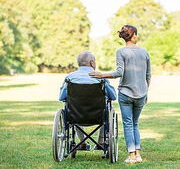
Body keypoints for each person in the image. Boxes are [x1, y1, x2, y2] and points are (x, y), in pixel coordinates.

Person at [89, 25, 151, 163]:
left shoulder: (121, 52)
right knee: (135, 123)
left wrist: (102, 75)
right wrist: (146, 92)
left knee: (128, 124)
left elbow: (119, 73)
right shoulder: (145, 52)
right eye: (137, 34)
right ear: (133, 35)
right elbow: (148, 75)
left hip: (125, 93)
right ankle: (138, 155)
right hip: (141, 94)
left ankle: (132, 156)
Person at [59, 51, 116, 150]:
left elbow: (61, 97)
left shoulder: (70, 78)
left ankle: (82, 143)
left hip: (76, 116)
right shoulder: (100, 78)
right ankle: (101, 142)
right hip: (98, 116)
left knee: (74, 108)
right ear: (92, 63)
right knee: (106, 110)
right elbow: (113, 96)